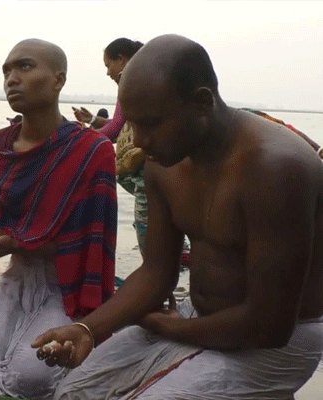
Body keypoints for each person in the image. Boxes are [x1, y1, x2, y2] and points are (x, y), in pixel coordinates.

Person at [33, 34, 323, 399]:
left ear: (202, 103)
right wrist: (86, 330)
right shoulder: (164, 163)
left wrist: (166, 327)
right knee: (72, 392)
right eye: (132, 124)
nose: (138, 141)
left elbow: (270, 326)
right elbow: (157, 272)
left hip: (284, 338)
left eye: (151, 124)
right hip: (195, 317)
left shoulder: (276, 168)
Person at [0, 39, 117, 398]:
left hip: (65, 285)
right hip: (18, 278)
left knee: (29, 380)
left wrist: (19, 242)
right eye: (7, 71)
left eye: (24, 67)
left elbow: (91, 243)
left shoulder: (92, 151)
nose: (12, 78)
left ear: (58, 80)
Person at [72, 38, 143, 141]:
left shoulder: (130, 85)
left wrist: (82, 136)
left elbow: (115, 128)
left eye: (108, 66)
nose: (108, 73)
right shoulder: (143, 79)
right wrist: (92, 119)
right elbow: (120, 123)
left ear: (120, 59)